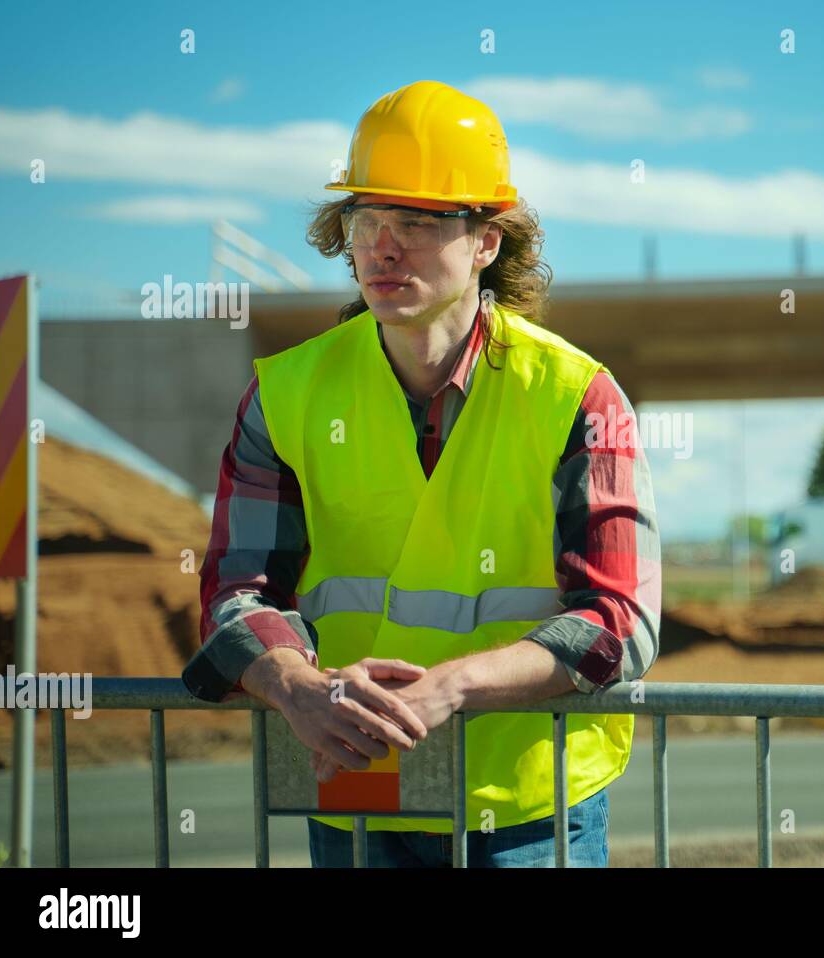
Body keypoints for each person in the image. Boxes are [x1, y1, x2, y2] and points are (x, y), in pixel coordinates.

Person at [181, 80, 661, 867]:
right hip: (356, 791)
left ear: (487, 241)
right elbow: (239, 595)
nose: (382, 246)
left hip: (524, 811)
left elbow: (617, 622)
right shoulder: (287, 394)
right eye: (366, 219)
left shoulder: (574, 395)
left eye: (417, 220)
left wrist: (450, 688)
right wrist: (297, 687)